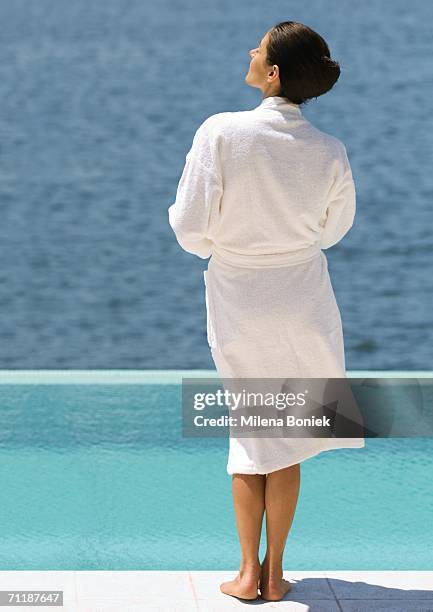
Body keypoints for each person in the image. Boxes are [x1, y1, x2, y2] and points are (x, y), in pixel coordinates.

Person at [168, 20, 365, 602]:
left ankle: (249, 574)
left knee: (251, 432)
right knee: (288, 436)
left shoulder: (221, 133)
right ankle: (276, 571)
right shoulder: (330, 150)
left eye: (260, 49)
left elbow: (189, 226)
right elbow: (335, 230)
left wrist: (223, 248)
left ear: (273, 73)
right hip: (304, 300)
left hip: (240, 300)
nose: (251, 52)